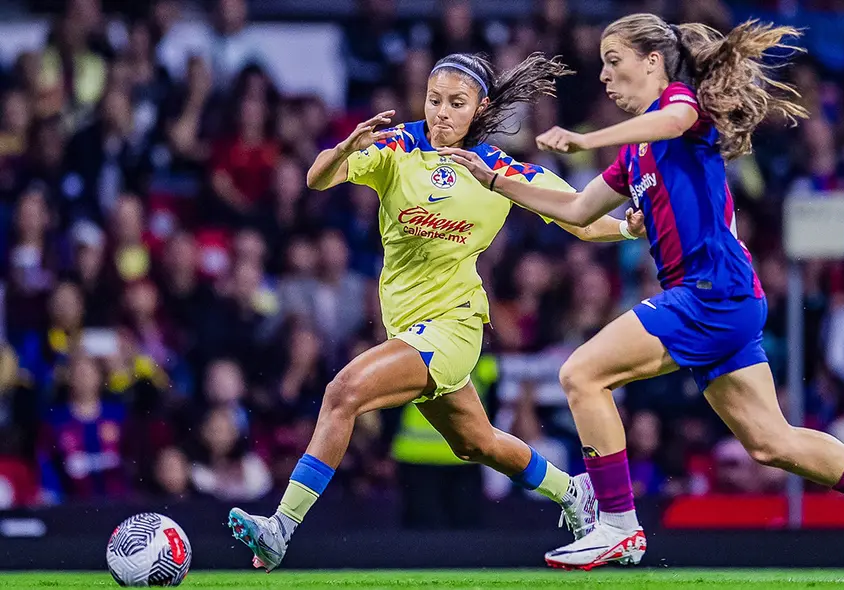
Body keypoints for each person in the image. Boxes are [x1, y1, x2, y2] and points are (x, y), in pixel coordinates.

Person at [443, 14, 844, 572]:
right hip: (724, 300)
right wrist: (494, 180)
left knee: (581, 375)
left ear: (653, 62)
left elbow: (675, 120)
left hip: (710, 293)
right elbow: (575, 209)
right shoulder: (634, 155)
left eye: (613, 61)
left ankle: (617, 525)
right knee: (771, 443)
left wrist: (584, 139)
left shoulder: (681, 106)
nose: (603, 76)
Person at [227, 51, 645, 571]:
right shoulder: (397, 147)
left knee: (342, 392)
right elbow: (317, 179)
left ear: (480, 108)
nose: (441, 112)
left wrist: (626, 227)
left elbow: (580, 218)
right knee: (477, 443)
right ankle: (573, 492)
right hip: (407, 327)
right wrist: (344, 148)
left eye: (456, 103)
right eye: (434, 100)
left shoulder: (500, 171)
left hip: (454, 327)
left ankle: (280, 528)